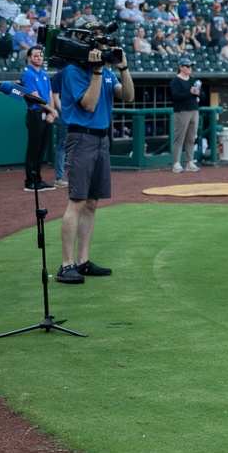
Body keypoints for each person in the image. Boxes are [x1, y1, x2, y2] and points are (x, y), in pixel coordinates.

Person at [54, 34, 135, 284]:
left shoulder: (107, 72)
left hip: (101, 139)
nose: (103, 50)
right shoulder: (73, 71)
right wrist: (98, 71)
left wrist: (123, 67)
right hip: (81, 137)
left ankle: (83, 261)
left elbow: (129, 96)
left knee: (92, 202)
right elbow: (88, 104)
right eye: (99, 46)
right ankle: (66, 264)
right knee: (77, 201)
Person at [21, 47, 57, 191]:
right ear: (29, 58)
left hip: (45, 114)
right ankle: (30, 181)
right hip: (35, 114)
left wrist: (50, 113)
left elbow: (49, 93)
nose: (39, 58)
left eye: (41, 55)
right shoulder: (28, 75)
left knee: (41, 149)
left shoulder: (45, 75)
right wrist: (52, 110)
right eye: (36, 56)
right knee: (34, 149)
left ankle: (38, 179)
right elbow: (36, 98)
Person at [171, 59, 202, 173]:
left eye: (190, 66)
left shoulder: (193, 80)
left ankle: (189, 161)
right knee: (179, 137)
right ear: (181, 67)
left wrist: (197, 92)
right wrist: (190, 92)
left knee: (191, 137)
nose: (189, 67)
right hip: (181, 111)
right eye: (187, 66)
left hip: (194, 110)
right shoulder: (176, 81)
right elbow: (175, 96)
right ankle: (176, 163)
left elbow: (202, 95)